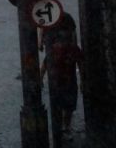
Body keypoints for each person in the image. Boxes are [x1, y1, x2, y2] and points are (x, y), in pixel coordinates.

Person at [40, 13, 83, 142]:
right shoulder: (63, 48)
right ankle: (64, 128)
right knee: (64, 105)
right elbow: (45, 64)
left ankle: (64, 128)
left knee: (66, 105)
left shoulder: (66, 49)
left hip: (64, 80)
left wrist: (40, 78)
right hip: (62, 80)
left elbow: (45, 65)